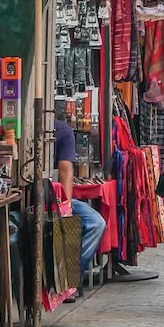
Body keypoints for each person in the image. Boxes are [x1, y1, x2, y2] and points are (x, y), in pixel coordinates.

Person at [53, 115, 108, 277]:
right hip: (28, 200)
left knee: (96, 223)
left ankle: (69, 275)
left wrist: (66, 206)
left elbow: (66, 171)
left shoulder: (62, 130)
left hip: (55, 197)